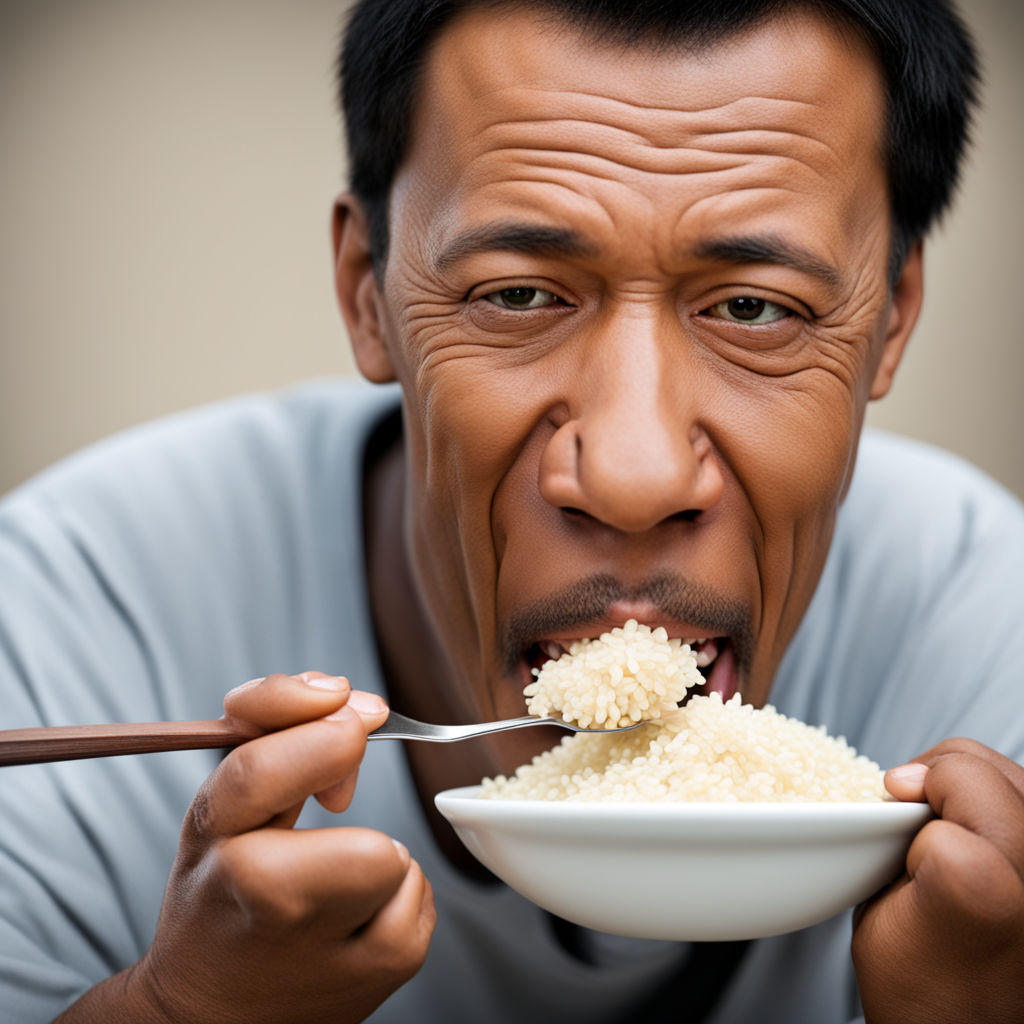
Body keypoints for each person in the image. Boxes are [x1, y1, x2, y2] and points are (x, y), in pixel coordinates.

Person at [0, 0, 1022, 1021]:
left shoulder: (978, 620)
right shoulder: (68, 612)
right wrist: (176, 1011)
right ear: (368, 293)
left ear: (890, 319)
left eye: (754, 307)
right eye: (519, 295)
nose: (632, 475)